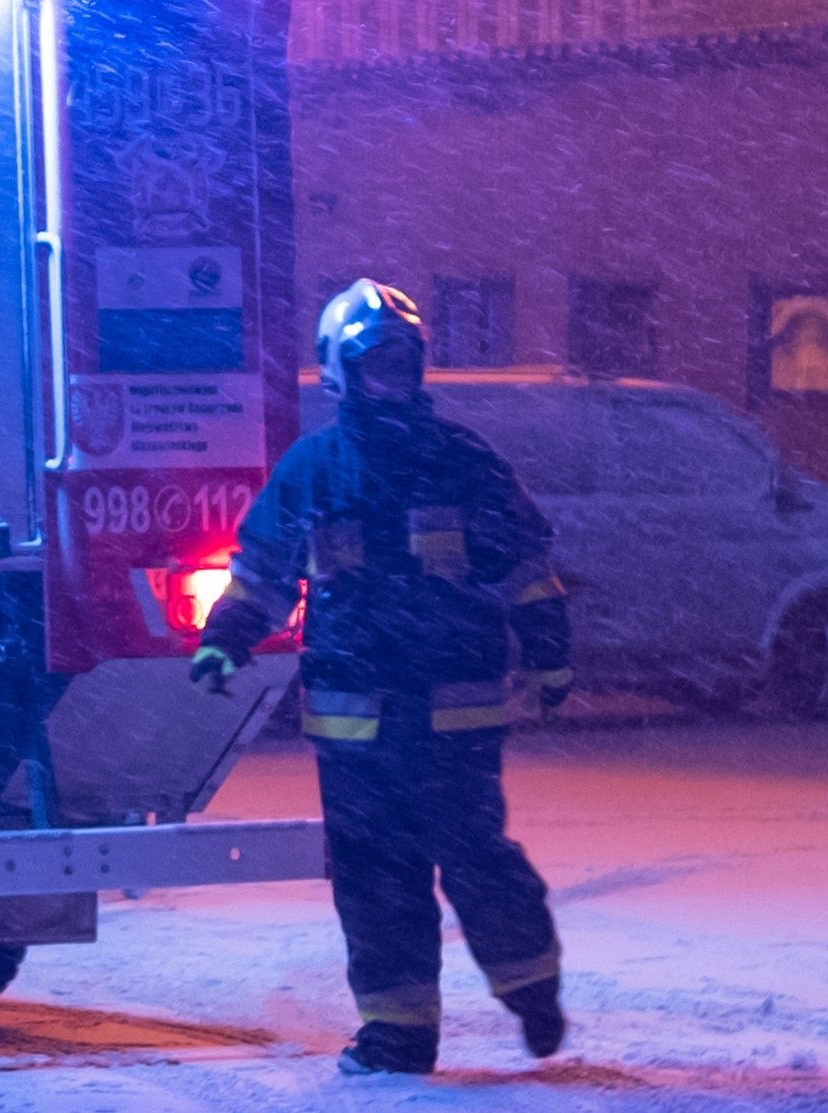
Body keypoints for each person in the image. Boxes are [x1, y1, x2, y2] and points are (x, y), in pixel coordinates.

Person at [188, 279, 572, 1075]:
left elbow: (526, 568)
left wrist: (547, 649)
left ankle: (530, 988)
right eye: (374, 362)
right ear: (339, 372)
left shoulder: (463, 462)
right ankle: (398, 1033)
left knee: (476, 859)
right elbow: (262, 572)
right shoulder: (312, 469)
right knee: (374, 879)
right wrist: (225, 638)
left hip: (452, 714)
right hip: (352, 723)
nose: (391, 374)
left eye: (402, 358)